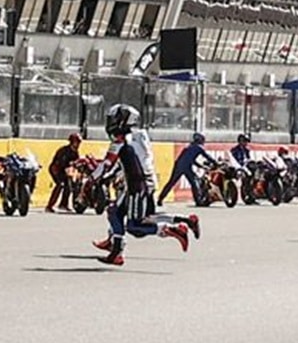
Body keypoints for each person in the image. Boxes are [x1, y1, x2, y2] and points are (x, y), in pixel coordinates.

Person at [91, 104, 199, 266]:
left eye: (114, 119)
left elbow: (108, 163)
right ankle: (116, 250)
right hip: (138, 183)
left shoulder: (120, 140)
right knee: (116, 212)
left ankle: (173, 229)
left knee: (135, 226)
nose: (111, 122)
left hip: (136, 187)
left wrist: (92, 178)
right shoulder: (137, 136)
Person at [157, 132, 213, 207]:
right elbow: (208, 157)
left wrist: (200, 166)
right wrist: (216, 163)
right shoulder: (199, 147)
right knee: (194, 182)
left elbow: (190, 159)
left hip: (179, 165)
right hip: (186, 167)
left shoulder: (189, 146)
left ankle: (160, 199)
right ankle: (198, 201)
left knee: (171, 183)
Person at [45, 132, 82, 213]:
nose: (78, 144)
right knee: (60, 184)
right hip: (56, 169)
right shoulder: (64, 151)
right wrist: (69, 169)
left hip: (65, 170)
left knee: (69, 185)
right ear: (72, 142)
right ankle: (49, 206)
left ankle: (63, 204)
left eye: (79, 142)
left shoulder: (75, 152)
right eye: (77, 142)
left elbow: (77, 163)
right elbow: (59, 164)